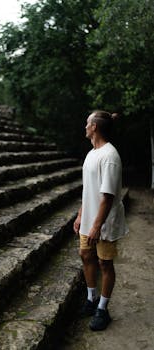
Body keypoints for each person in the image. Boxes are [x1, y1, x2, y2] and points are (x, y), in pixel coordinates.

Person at [73, 110, 128, 331]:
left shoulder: (110, 156)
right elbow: (90, 190)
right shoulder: (91, 154)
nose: (85, 126)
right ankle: (91, 298)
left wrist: (96, 225)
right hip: (88, 218)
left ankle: (103, 310)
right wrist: (80, 215)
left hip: (104, 222)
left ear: (94, 126)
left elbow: (107, 196)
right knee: (85, 255)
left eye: (87, 123)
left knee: (105, 263)